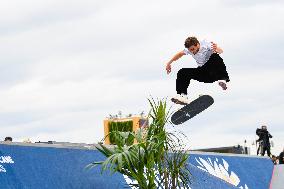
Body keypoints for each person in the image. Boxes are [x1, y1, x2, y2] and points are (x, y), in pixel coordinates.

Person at [166, 36, 230, 104]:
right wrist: (169, 63)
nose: (192, 52)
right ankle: (183, 96)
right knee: (182, 72)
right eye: (190, 50)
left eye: (193, 49)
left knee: (215, 56)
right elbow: (179, 54)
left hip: (213, 72)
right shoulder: (189, 49)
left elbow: (221, 51)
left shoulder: (206, 44)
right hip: (203, 74)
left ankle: (223, 79)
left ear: (197, 44)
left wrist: (216, 48)